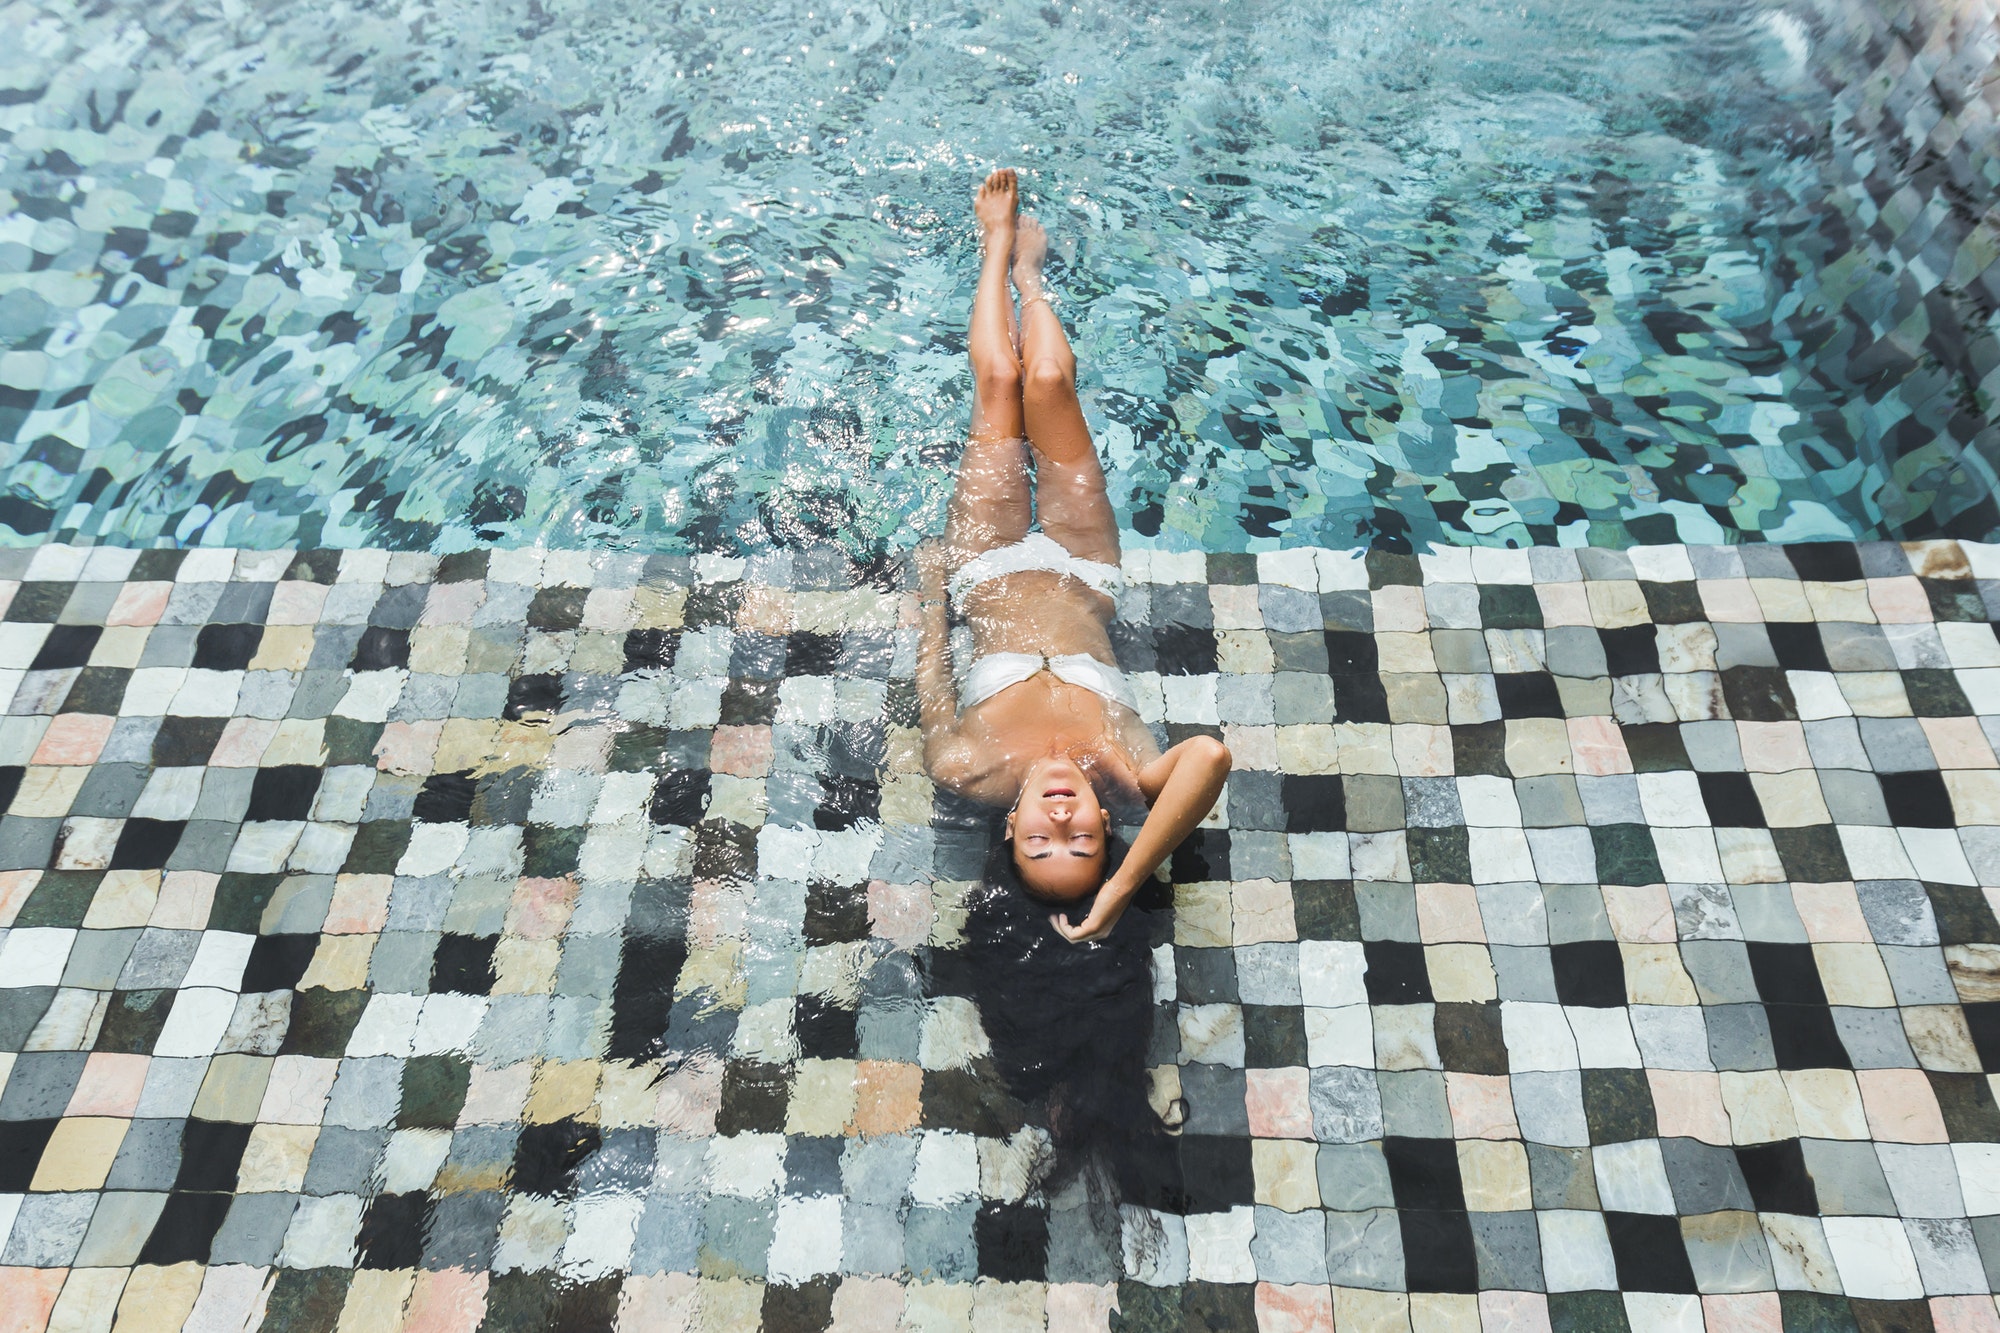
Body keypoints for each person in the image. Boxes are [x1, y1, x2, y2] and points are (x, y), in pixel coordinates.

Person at [916, 168, 1232, 944]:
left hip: (983, 562)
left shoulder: (964, 768)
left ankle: (997, 249)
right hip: (1082, 562)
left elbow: (931, 673)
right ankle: (1033, 276)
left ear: (1011, 824)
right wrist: (1125, 885)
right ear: (1105, 823)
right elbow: (1212, 757)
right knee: (1050, 378)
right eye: (1083, 839)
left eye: (1040, 839)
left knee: (999, 381)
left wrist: (929, 591)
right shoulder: (1126, 769)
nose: (1061, 817)